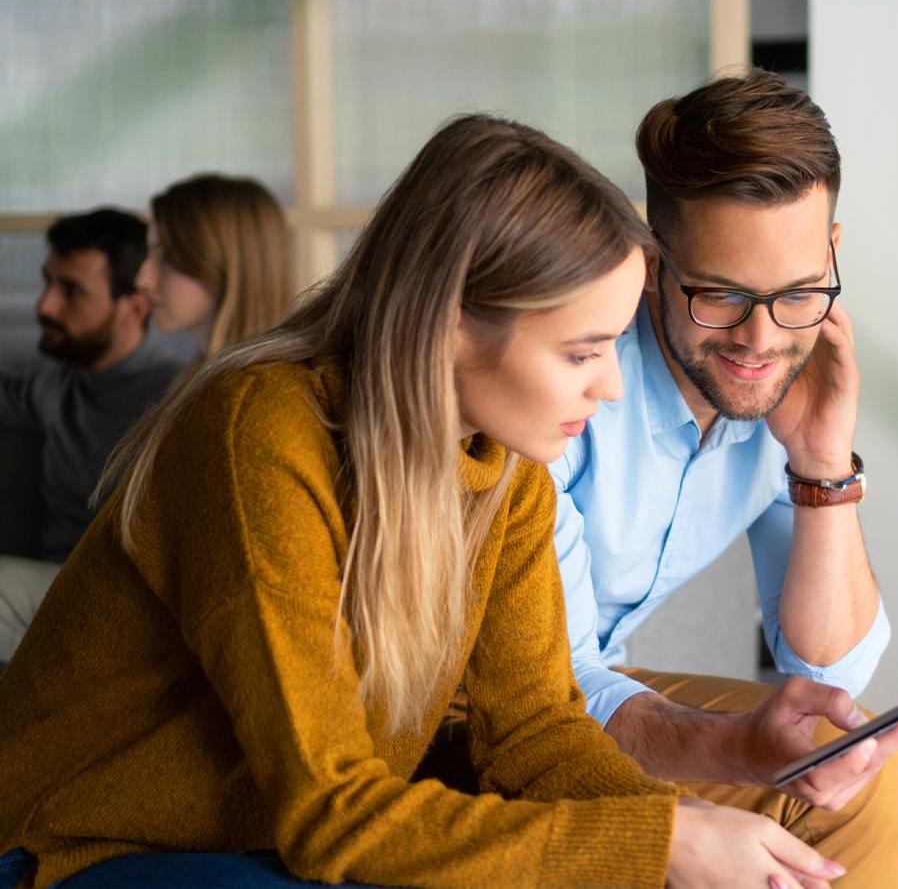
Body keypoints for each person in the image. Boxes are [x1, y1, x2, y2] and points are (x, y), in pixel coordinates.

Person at [0, 115, 848, 889]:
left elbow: (537, 733)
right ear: (448, 322)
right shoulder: (258, 435)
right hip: (75, 845)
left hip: (258, 838)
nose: (615, 386)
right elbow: (331, 813)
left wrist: (678, 829)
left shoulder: (503, 469)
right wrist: (658, 846)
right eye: (583, 351)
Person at [547, 70, 898, 886]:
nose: (759, 340)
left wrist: (822, 465)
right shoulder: (569, 379)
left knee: (851, 766)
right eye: (720, 295)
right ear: (653, 262)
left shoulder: (795, 368)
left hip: (585, 677)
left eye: (796, 292)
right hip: (496, 694)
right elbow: (545, 683)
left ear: (831, 252)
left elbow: (829, 678)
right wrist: (731, 754)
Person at [0, 208, 183, 563]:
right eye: (48, 282)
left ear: (136, 307)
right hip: (49, 587)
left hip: (119, 598)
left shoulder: (175, 397)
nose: (45, 306)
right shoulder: (51, 385)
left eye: (71, 290)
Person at [135, 173, 293, 358]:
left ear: (228, 262)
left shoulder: (261, 384)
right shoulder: (202, 372)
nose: (143, 280)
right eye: (149, 255)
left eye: (167, 258)